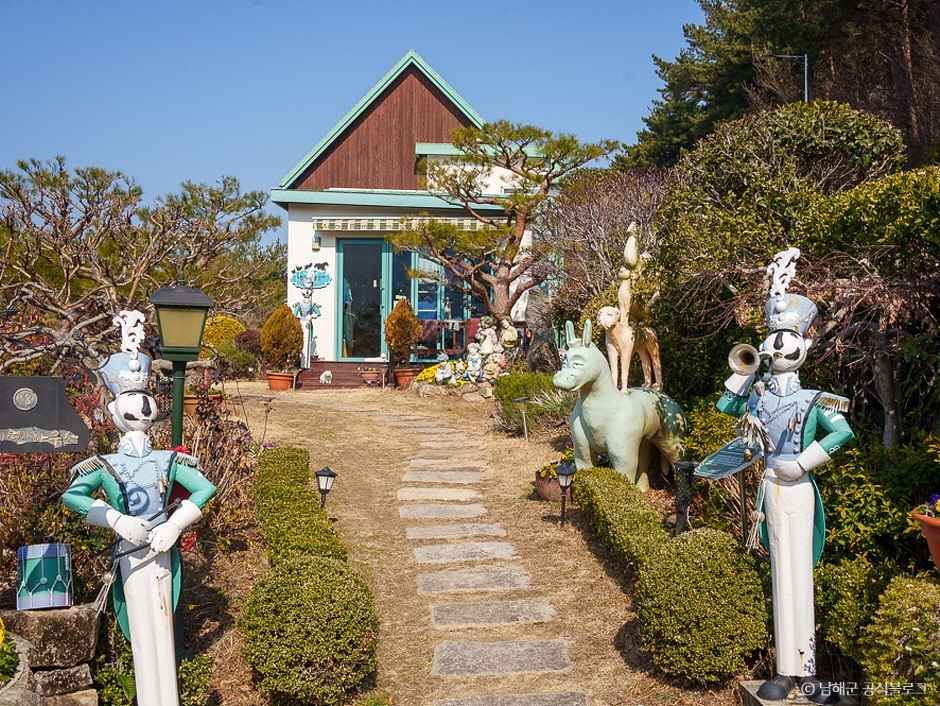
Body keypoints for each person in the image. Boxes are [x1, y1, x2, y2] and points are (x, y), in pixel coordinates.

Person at [717, 249, 853, 705]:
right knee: (780, 573)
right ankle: (783, 670)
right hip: (772, 487)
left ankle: (808, 669)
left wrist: (806, 461)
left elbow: (843, 433)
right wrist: (745, 373)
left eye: (786, 340)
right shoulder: (758, 396)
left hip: (799, 487)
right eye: (772, 341)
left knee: (801, 576)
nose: (777, 349)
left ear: (804, 347)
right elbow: (725, 406)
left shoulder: (816, 398)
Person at [62, 310, 216, 706]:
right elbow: (73, 496)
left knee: (163, 628)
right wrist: (115, 519)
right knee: (143, 634)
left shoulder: (169, 460)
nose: (141, 412)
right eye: (130, 404)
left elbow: (205, 488)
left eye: (144, 402)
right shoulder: (104, 464)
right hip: (130, 554)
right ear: (115, 412)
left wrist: (175, 525)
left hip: (162, 552)